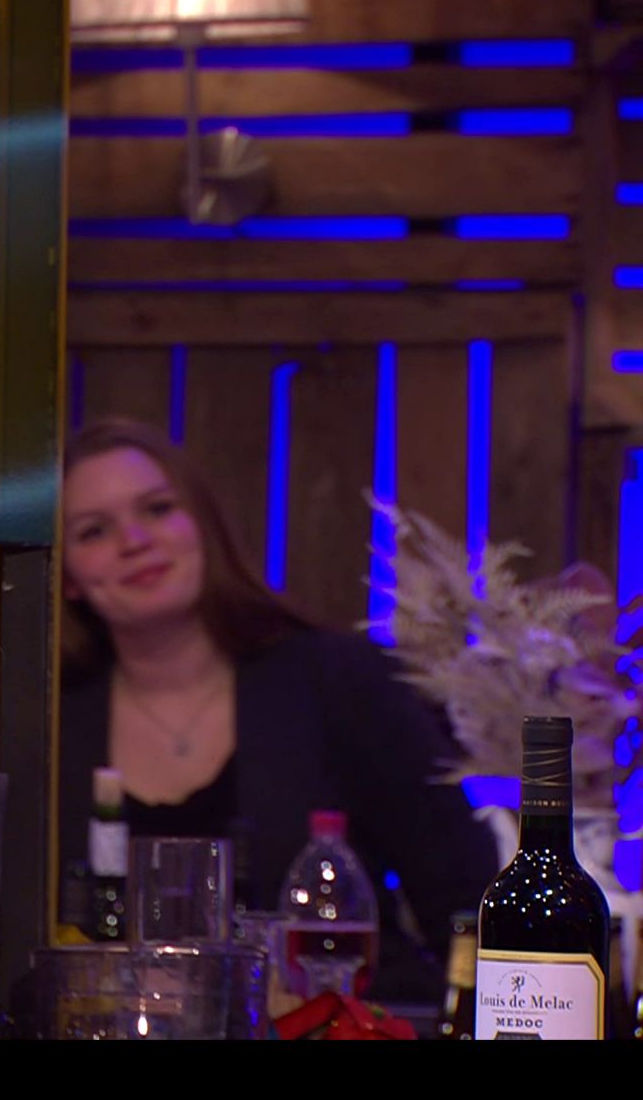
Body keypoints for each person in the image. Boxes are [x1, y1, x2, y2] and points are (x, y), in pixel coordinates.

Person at [56, 416, 500, 1000]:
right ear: (67, 576)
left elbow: (468, 903)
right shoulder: (51, 722)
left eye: (158, 509)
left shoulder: (340, 680)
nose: (134, 540)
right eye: (94, 531)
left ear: (203, 524)